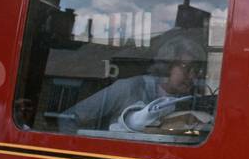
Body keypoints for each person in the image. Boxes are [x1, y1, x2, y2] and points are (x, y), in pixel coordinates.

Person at [60, 32, 207, 132]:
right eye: (186, 67)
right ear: (167, 64)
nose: (193, 76)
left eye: (197, 70)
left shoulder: (187, 100)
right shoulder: (129, 87)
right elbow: (68, 118)